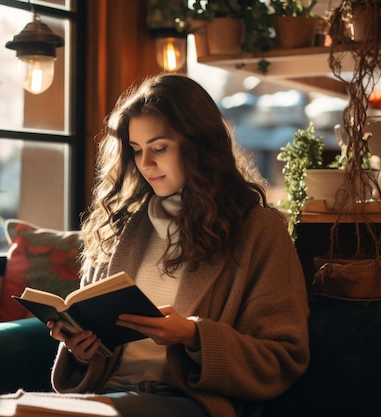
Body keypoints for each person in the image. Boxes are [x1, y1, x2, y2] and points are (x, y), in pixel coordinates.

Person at [46, 73, 310, 417]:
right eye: (136, 150)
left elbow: (284, 358)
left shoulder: (258, 231)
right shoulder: (120, 225)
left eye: (159, 148)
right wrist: (82, 351)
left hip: (187, 402)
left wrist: (195, 335)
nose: (146, 164)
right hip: (105, 396)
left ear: (201, 145)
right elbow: (95, 350)